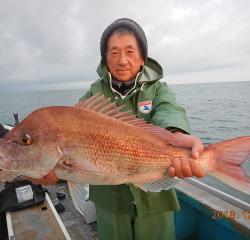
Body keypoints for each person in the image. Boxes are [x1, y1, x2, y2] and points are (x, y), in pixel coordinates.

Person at [27, 18, 205, 239]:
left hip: (155, 200)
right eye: (113, 53)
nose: (122, 61)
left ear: (141, 59)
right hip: (109, 202)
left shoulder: (159, 89)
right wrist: (45, 166)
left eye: (130, 52)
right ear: (105, 59)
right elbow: (67, 131)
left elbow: (169, 110)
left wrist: (177, 136)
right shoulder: (93, 95)